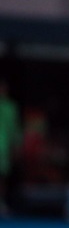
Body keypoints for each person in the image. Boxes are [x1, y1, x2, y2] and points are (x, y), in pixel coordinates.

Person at [0, 78, 21, 216]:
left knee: (2, 177)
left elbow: (14, 128)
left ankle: (1, 202)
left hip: (4, 146)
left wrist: (16, 145)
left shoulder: (11, 107)